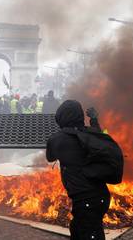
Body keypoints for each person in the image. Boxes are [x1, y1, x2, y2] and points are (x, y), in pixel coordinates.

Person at [46, 100, 111, 240]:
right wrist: (94, 119)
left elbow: (50, 157)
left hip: (85, 199)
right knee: (81, 229)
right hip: (101, 195)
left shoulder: (57, 139)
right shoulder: (91, 134)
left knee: (86, 233)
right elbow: (100, 135)